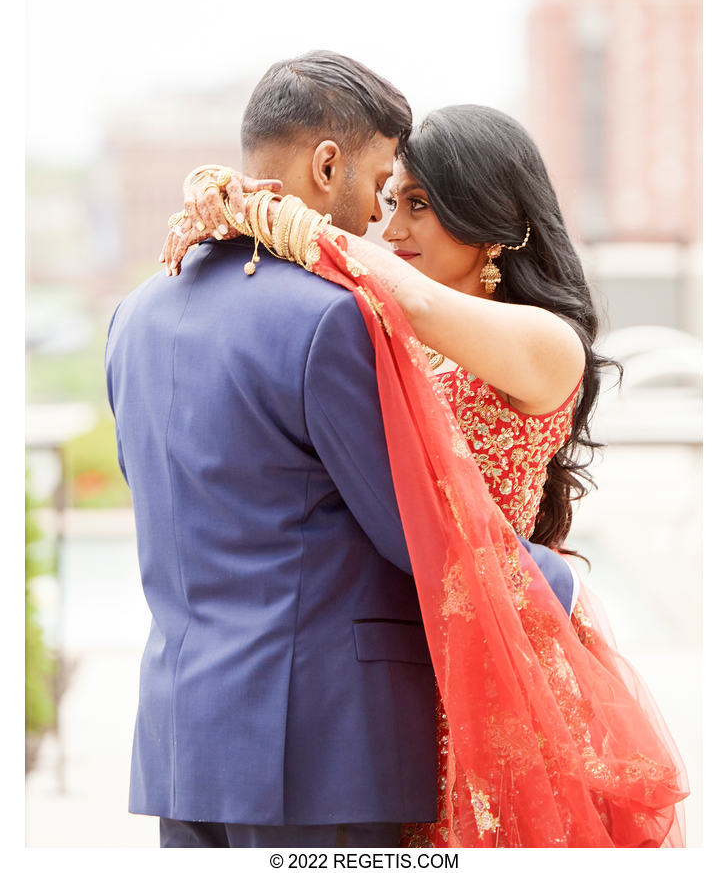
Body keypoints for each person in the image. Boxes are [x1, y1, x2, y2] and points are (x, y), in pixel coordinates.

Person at [165, 99, 689, 847]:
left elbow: (401, 291)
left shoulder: (545, 342)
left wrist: (271, 210)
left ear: (498, 226)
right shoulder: (403, 338)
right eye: (393, 201)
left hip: (501, 666)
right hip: (409, 669)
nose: (392, 228)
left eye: (421, 205)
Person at [105, 51, 575, 850]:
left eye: (414, 203)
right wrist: (556, 583)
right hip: (316, 747)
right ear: (328, 165)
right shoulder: (329, 319)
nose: (379, 226)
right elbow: (413, 525)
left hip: (182, 743)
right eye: (384, 187)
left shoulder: (136, 313)